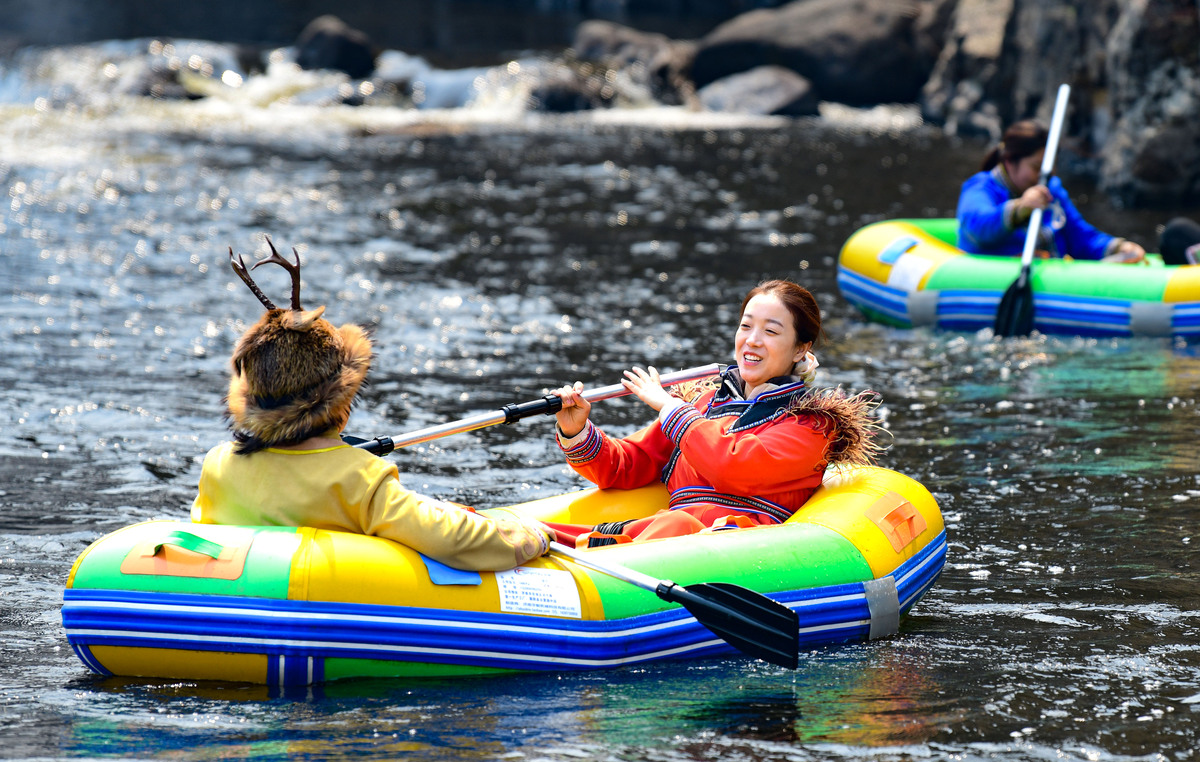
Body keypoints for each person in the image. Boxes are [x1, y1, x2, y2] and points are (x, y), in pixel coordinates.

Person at [190, 239, 555, 572]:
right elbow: (456, 539)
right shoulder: (358, 479)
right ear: (340, 401)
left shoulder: (220, 465)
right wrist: (530, 537)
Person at [545, 279, 882, 548]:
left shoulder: (811, 425)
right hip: (668, 539)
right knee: (536, 530)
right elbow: (626, 466)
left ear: (800, 348)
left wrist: (671, 408)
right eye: (746, 326)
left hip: (737, 550)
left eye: (771, 331)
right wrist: (577, 431)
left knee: (676, 523)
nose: (752, 341)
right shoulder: (703, 405)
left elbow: (732, 466)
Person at [957, 119, 1146, 263]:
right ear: (1009, 162)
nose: (1045, 175)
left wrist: (1116, 247)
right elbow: (977, 227)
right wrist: (1020, 208)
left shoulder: (1051, 187)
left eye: (1050, 166)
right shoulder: (981, 187)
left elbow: (1078, 236)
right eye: (1036, 167)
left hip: (1052, 272)